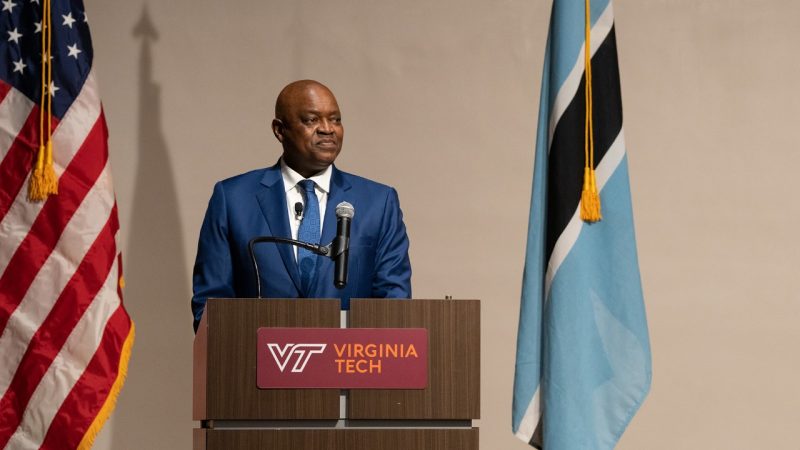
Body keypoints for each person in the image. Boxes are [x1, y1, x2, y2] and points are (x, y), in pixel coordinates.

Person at [191, 80, 412, 331]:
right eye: (311, 120)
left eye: (336, 119)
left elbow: (395, 302)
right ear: (279, 130)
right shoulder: (233, 198)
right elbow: (210, 302)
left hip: (348, 363)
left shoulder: (378, 202)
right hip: (258, 363)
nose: (327, 129)